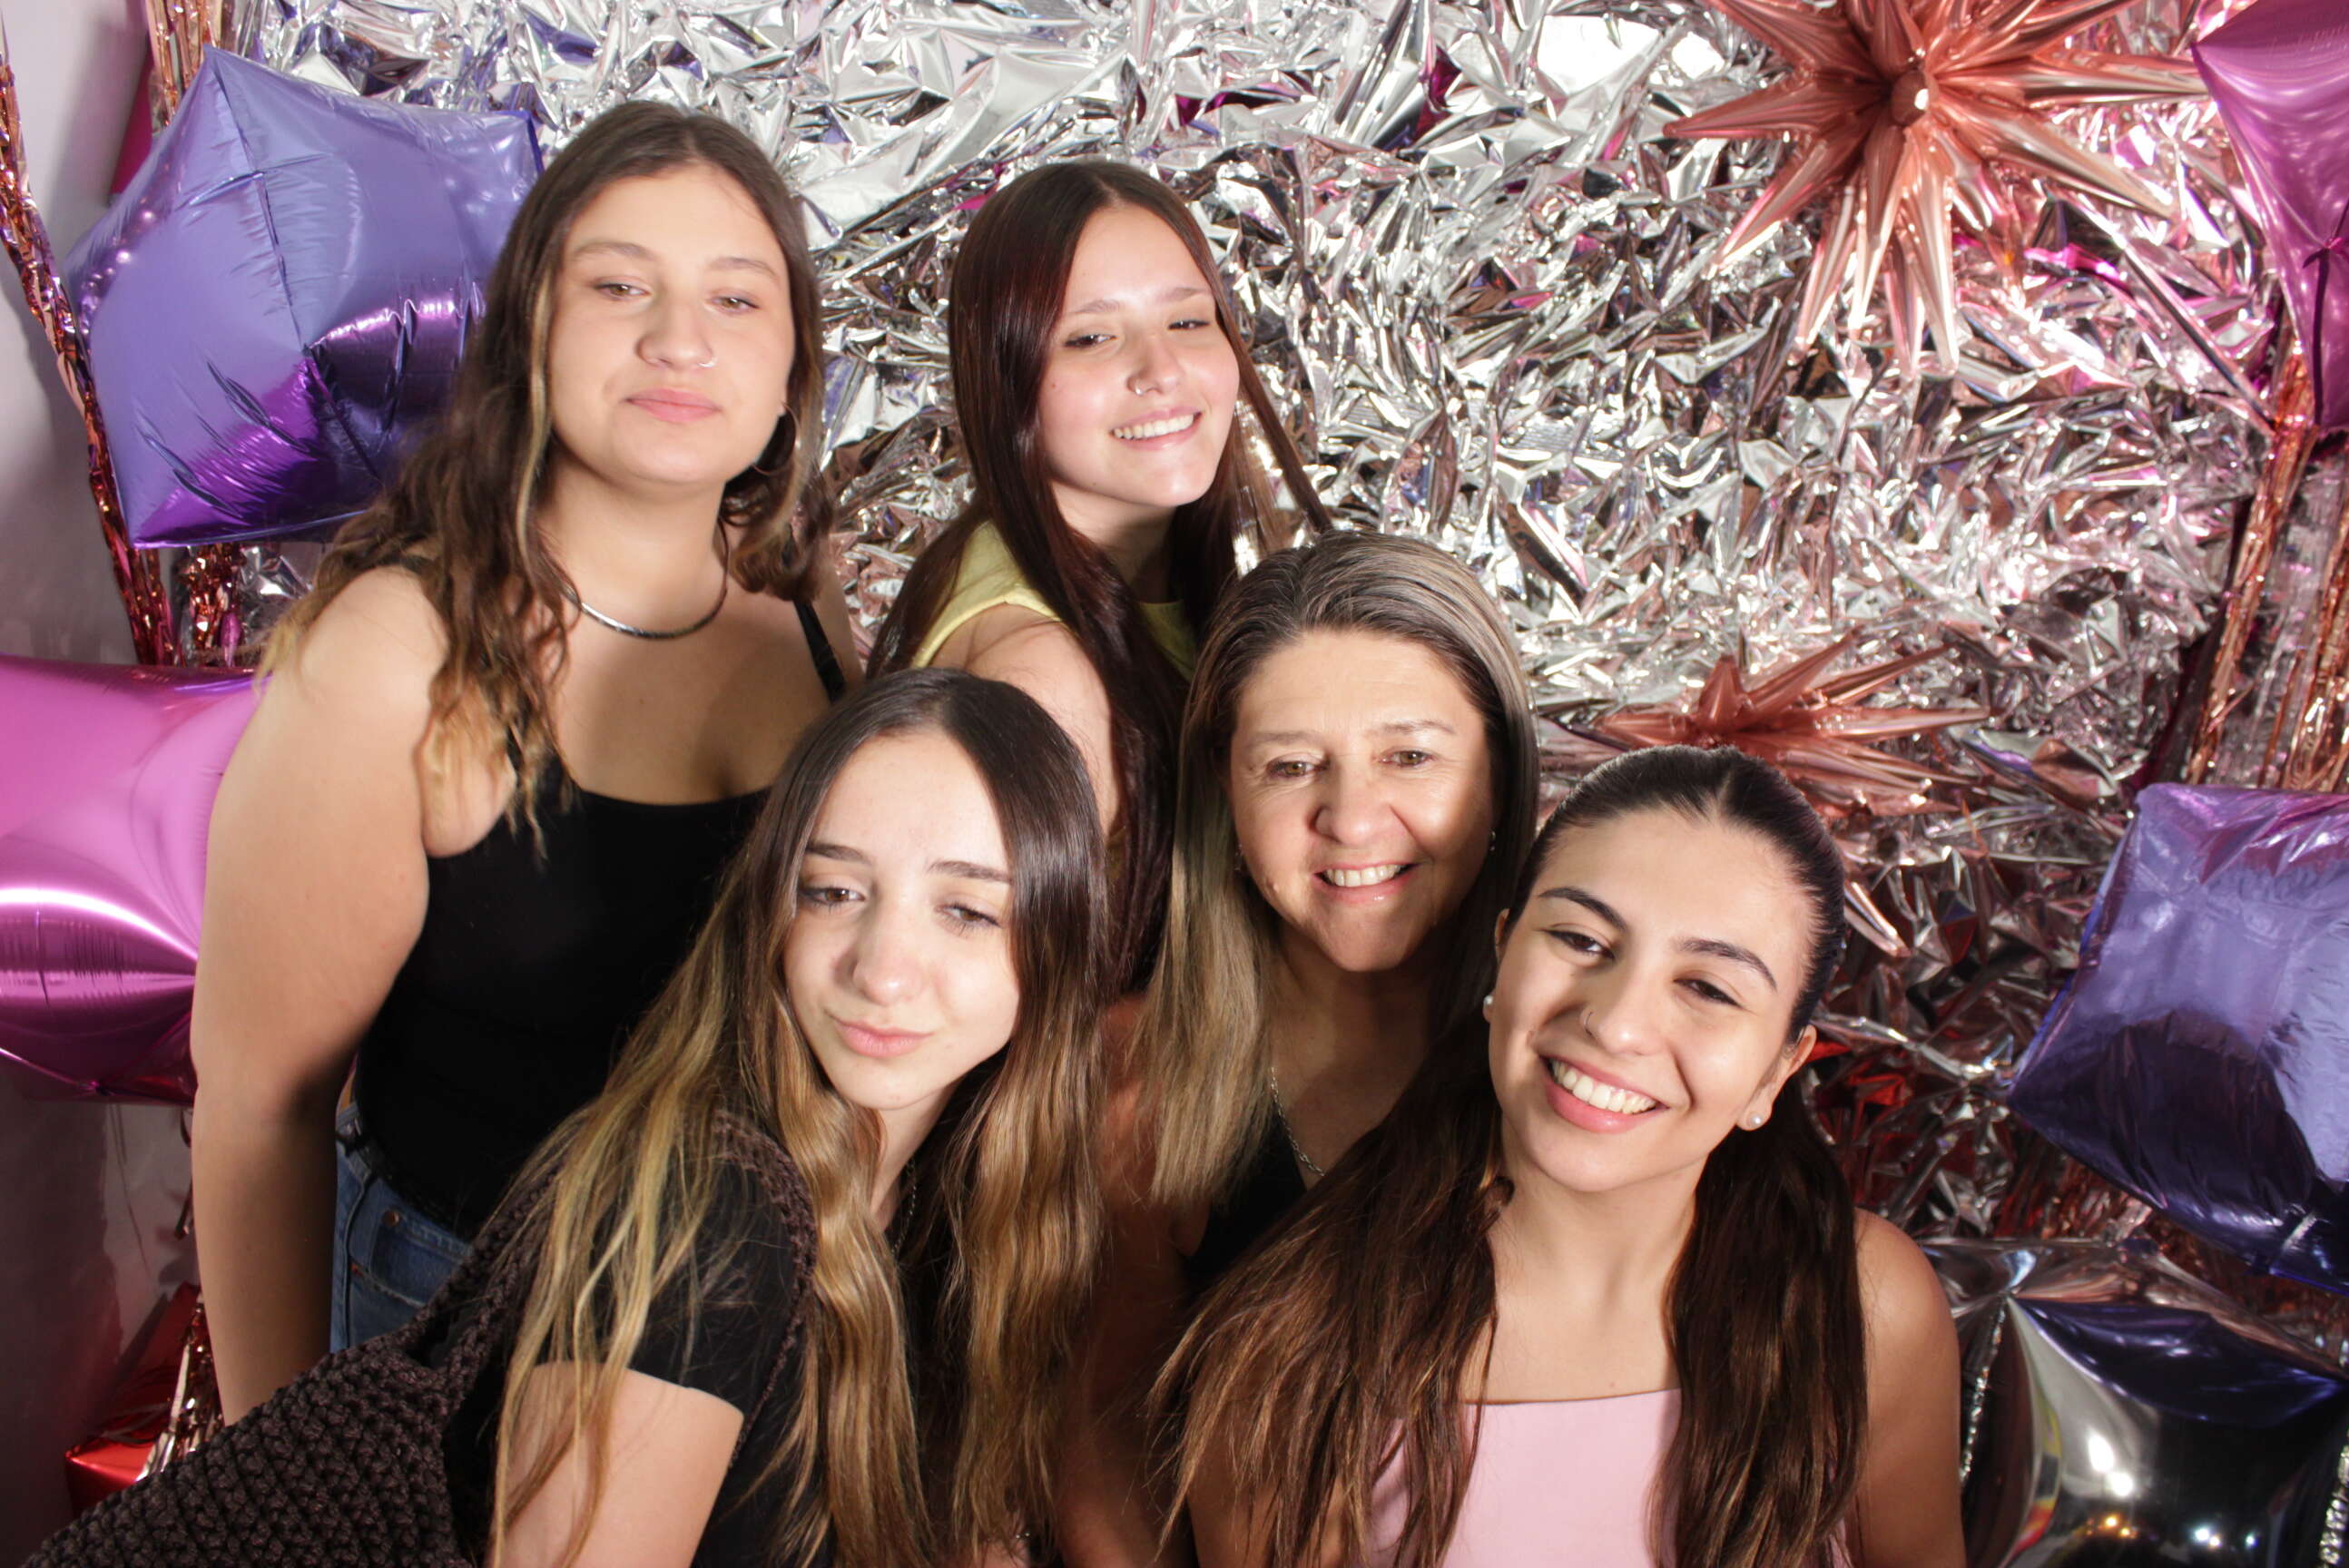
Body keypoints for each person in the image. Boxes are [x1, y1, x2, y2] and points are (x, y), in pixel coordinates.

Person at [35, 670, 1110, 1568]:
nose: (883, 970)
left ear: (1058, 943)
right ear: (769, 911)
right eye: (833, 891)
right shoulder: (709, 1215)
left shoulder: (945, 1215)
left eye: (966, 910)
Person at [190, 102, 856, 1420]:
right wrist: (281, 1468)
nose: (680, 340)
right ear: (531, 332)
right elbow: (260, 1108)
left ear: (792, 369)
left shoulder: (810, 611)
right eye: (619, 286)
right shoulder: (397, 654)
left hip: (752, 1310)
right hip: (461, 1319)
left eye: (736, 298)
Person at [1166, 746, 1965, 1568]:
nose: (1616, 1024)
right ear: (1504, 952)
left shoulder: (1865, 1306)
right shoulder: (1290, 1350)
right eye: (1582, 940)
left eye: (1707, 988)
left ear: (1778, 1070)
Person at [1057, 532, 1539, 1564]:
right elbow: (1102, 1431)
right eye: (1290, 766)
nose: (1352, 820)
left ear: (1501, 775)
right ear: (1226, 798)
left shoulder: (1596, 1070)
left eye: (1409, 756)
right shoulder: (1132, 1077)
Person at [868, 158, 1331, 985]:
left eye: (1188, 321)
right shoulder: (1048, 680)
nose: (1162, 370)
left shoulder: (1093, 568)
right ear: (1006, 377)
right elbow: (1022, 1019)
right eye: (1090, 337)